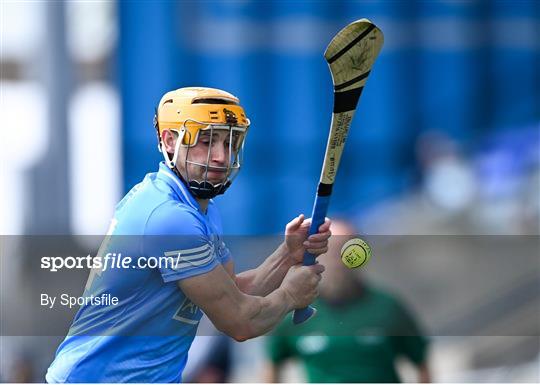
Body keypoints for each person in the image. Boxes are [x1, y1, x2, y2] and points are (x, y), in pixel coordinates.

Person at [46, 87, 331, 383]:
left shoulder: (195, 208)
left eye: (230, 141)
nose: (221, 156)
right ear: (170, 141)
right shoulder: (169, 218)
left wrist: (287, 255)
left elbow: (231, 292)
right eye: (207, 142)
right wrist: (289, 296)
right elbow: (239, 321)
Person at [264, 220, 430, 383]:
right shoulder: (295, 313)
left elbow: (422, 363)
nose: (337, 259)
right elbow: (272, 364)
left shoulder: (388, 307)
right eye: (330, 250)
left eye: (346, 249)